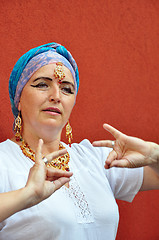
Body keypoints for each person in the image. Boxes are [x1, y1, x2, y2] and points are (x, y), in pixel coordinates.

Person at [0, 42, 158, 240]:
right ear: (19, 99)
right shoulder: (4, 162)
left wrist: (154, 154)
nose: (56, 96)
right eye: (42, 84)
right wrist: (27, 195)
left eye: (66, 89)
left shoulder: (95, 159)